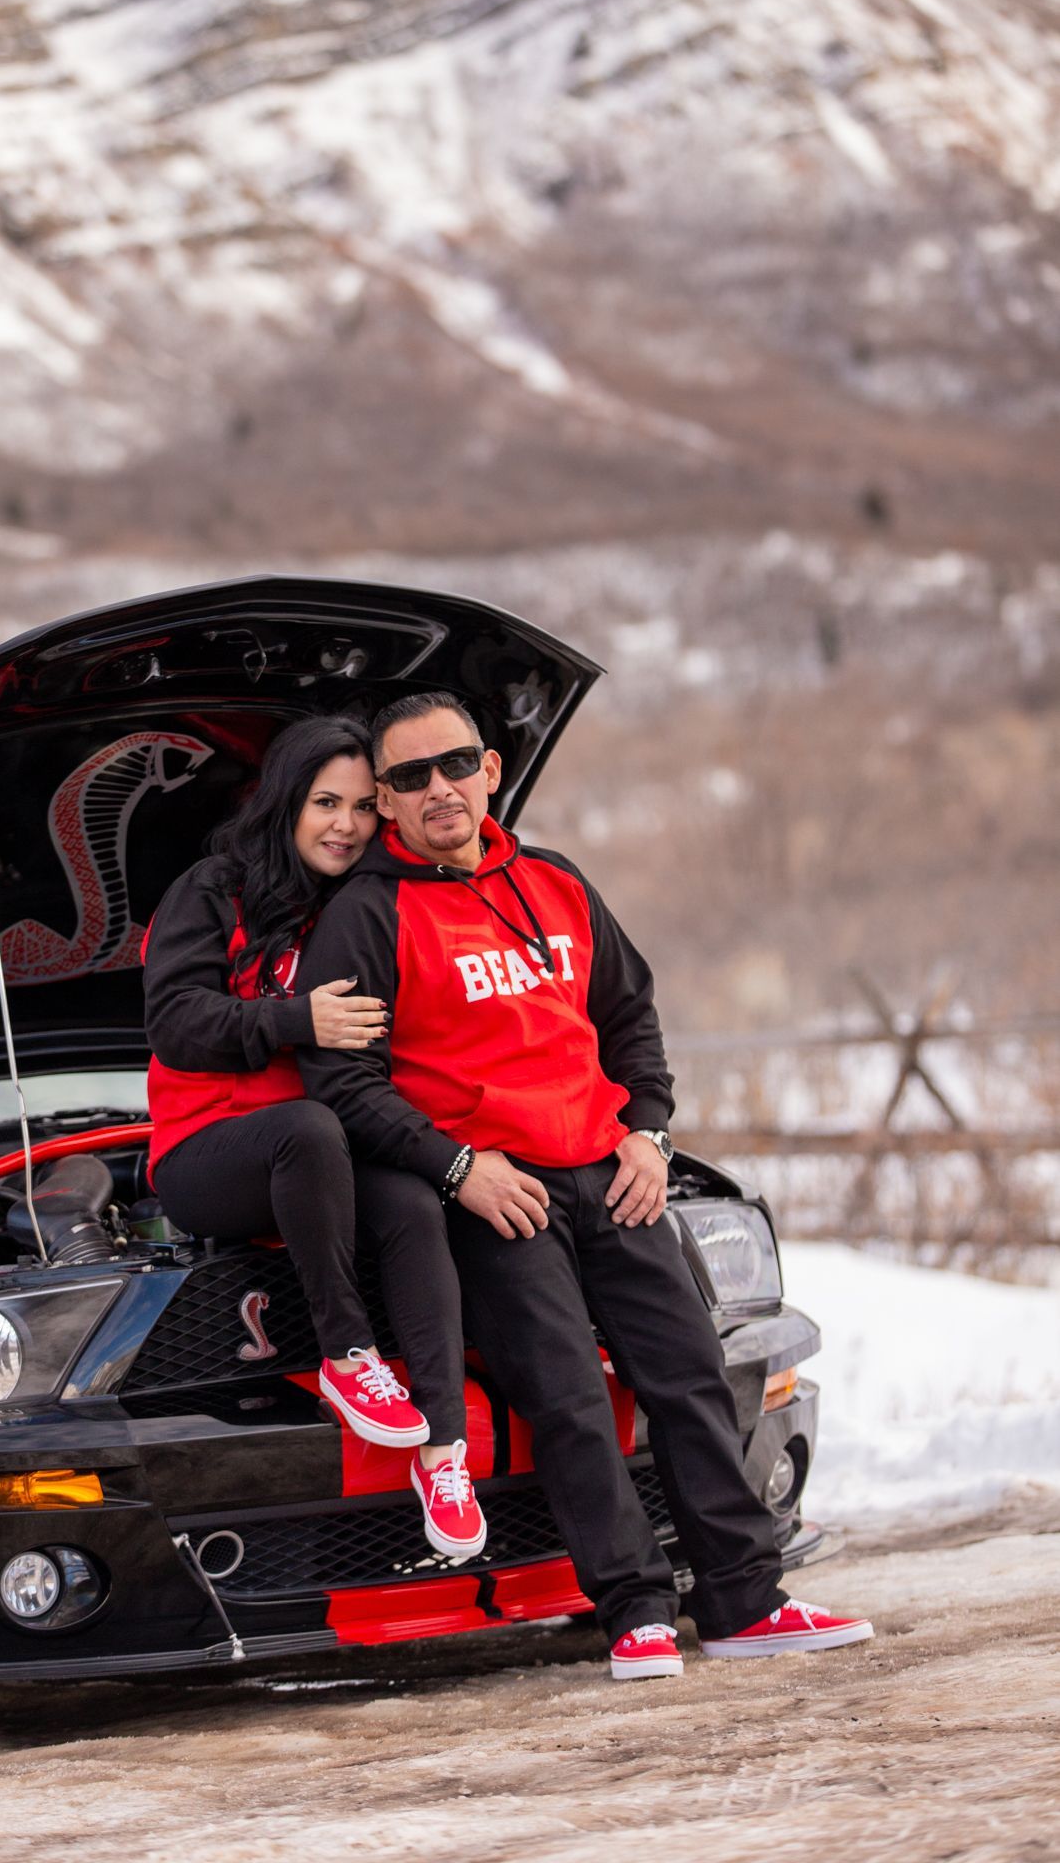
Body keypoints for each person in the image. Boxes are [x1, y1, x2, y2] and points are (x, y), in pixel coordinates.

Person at [296, 690, 874, 1678]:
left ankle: (745, 1598)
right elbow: (339, 1082)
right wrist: (458, 1167)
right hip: (496, 1194)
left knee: (690, 1378)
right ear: (385, 803)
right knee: (567, 1398)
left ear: (489, 769)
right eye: (410, 776)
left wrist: (648, 1129)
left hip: (613, 1176)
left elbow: (629, 1012)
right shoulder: (363, 916)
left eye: (455, 763)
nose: (438, 787)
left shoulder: (556, 881)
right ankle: (635, 1608)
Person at [142, 715, 486, 1558]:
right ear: (285, 802)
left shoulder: (363, 901)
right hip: (206, 1153)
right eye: (324, 802)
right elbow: (177, 1023)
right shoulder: (210, 891)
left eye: (365, 807)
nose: (346, 824)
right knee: (303, 1125)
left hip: (322, 1157)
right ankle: (347, 1354)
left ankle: (443, 1451)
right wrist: (298, 1021)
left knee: (408, 1201)